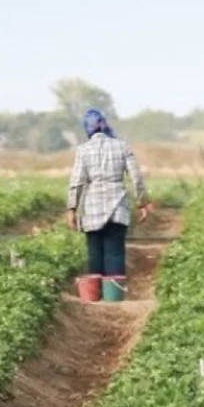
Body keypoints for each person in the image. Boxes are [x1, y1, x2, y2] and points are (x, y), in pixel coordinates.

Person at [65, 108, 146, 290]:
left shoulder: (83, 150)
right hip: (118, 207)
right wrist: (142, 202)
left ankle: (96, 295)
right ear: (104, 124)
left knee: (95, 253)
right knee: (115, 252)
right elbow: (136, 178)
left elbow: (76, 182)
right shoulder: (122, 146)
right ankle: (114, 296)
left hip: (92, 209)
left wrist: (71, 209)